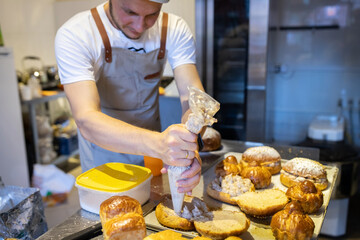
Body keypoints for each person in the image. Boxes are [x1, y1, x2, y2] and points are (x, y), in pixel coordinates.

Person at [55, 0, 205, 194]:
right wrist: (159, 144)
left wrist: (190, 144)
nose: (139, 26)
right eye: (130, 12)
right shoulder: (77, 34)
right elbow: (86, 119)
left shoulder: (174, 28)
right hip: (104, 161)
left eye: (152, 15)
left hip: (154, 160)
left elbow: (194, 99)